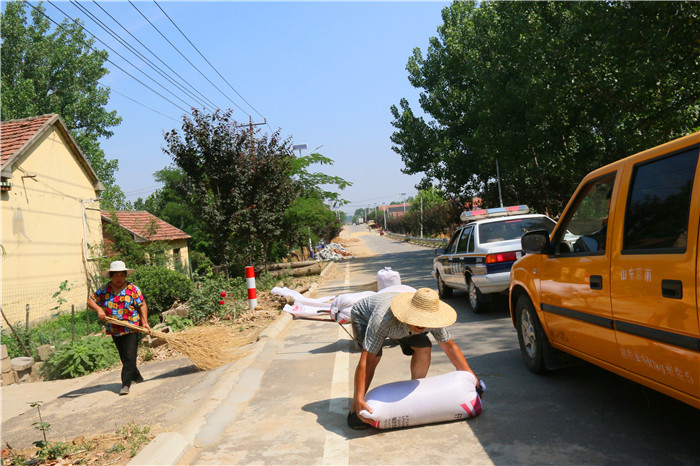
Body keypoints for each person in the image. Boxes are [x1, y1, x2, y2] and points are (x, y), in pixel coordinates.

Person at [347, 287, 482, 429]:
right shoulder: (383, 320)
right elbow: (365, 360)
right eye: (418, 319)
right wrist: (360, 399)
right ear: (409, 313)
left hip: (401, 327)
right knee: (374, 357)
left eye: (426, 320)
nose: (422, 324)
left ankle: (416, 395)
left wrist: (472, 377)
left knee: (424, 347)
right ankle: (355, 409)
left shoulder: (433, 320)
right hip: (364, 316)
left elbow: (450, 348)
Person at [87, 260, 150, 396]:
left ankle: (125, 384)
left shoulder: (133, 289)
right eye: (116, 276)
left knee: (130, 356)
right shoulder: (105, 290)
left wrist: (144, 322)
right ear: (111, 276)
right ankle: (137, 377)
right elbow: (90, 301)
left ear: (125, 276)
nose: (119, 278)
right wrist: (99, 310)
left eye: (122, 275)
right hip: (114, 329)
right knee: (124, 357)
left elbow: (142, 305)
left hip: (131, 327)